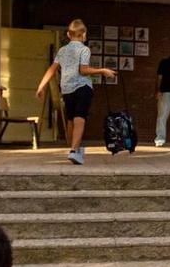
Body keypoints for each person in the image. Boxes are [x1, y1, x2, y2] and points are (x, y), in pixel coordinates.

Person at [33, 21, 113, 166]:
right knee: (80, 119)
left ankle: (73, 149)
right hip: (82, 87)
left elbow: (52, 69)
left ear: (69, 35)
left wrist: (41, 86)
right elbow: (83, 70)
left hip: (67, 89)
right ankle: (74, 151)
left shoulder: (62, 50)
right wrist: (102, 71)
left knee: (71, 119)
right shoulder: (84, 50)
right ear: (83, 35)